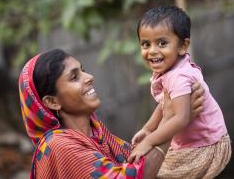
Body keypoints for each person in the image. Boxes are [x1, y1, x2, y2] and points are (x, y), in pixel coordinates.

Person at [19, 48, 204, 179]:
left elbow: (138, 161)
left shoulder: (98, 134)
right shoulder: (58, 146)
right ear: (53, 102)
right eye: (74, 77)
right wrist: (170, 122)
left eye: (83, 71)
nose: (89, 77)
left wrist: (170, 114)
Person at [129, 5, 231, 179]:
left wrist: (148, 141)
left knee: (156, 173)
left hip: (204, 146)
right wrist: (148, 128)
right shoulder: (171, 69)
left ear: (183, 46)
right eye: (146, 44)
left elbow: (181, 117)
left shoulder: (179, 77)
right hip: (196, 141)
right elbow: (165, 104)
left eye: (162, 43)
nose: (152, 50)